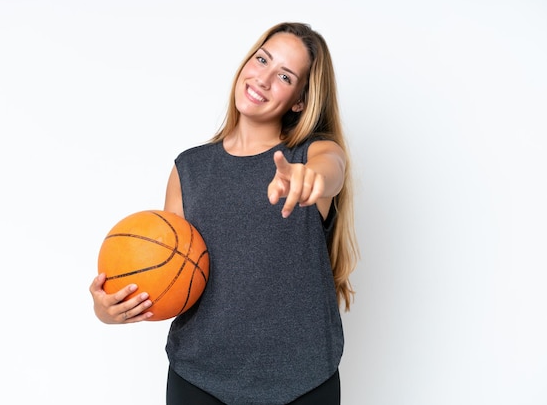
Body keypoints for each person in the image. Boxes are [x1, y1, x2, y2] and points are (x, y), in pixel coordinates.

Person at [89, 21, 360, 405]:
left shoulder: (310, 157)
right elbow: (168, 276)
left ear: (300, 100)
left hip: (303, 380)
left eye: (284, 76)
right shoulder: (189, 169)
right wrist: (109, 309)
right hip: (199, 380)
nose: (263, 79)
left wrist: (311, 177)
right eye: (262, 59)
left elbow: (333, 167)